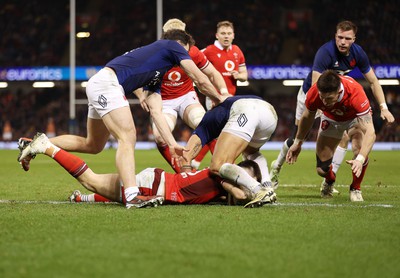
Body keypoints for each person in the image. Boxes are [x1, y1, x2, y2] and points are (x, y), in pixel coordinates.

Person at [18, 30, 227, 209]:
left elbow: (156, 112)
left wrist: (172, 144)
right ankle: (132, 195)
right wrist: (220, 100)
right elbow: (199, 78)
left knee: (93, 144)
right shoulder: (173, 45)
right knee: (128, 137)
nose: (188, 56)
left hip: (100, 83)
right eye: (187, 51)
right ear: (184, 46)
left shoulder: (158, 71)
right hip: (108, 84)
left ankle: (37, 144)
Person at [270, 20, 394, 190]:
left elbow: (373, 81)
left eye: (347, 38)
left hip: (335, 97)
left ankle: (328, 181)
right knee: (298, 137)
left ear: (354, 39)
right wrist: (327, 111)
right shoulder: (325, 53)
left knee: (342, 135)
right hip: (313, 96)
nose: (343, 42)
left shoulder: (358, 54)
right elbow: (315, 86)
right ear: (335, 36)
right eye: (340, 37)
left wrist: (383, 107)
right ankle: (275, 168)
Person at [21, 132, 262, 207]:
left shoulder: (217, 176)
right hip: (155, 185)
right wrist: (256, 190)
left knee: (111, 191)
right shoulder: (223, 177)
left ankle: (81, 198)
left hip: (156, 181)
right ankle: (47, 147)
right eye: (247, 175)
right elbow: (240, 196)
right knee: (91, 180)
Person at [134, 18, 229, 173]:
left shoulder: (193, 51)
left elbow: (212, 73)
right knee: (159, 136)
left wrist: (223, 93)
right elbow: (136, 76)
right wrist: (141, 95)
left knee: (205, 123)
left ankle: (222, 169)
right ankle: (183, 174)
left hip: (186, 96)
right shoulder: (153, 53)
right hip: (163, 100)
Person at [286, 70, 376, 202]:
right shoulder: (314, 92)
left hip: (354, 119)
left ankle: (355, 188)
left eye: (328, 98)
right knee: (322, 169)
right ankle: (330, 180)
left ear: (339, 92)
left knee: (359, 148)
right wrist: (298, 142)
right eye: (322, 97)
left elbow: (371, 132)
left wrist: (360, 159)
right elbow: (306, 117)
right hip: (331, 119)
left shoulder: (355, 92)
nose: (324, 101)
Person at [181, 95, 278, 208]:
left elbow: (186, 156)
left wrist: (186, 183)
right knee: (251, 152)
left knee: (218, 165)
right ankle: (267, 186)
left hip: (247, 110)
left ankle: (258, 190)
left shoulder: (207, 121)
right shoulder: (226, 103)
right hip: (269, 114)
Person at [191, 20, 248, 170]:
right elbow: (190, 62)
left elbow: (245, 74)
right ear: (217, 35)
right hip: (214, 98)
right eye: (223, 33)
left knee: (215, 132)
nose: (226, 36)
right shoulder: (208, 51)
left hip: (231, 99)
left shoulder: (237, 51)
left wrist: (239, 76)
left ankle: (194, 163)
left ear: (233, 35)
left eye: (229, 33)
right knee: (220, 132)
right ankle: (225, 165)